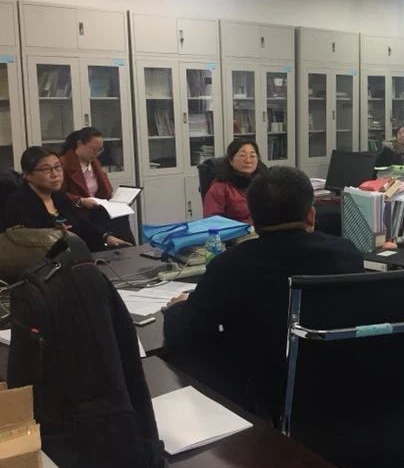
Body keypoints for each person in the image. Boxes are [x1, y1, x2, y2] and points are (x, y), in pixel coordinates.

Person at [162, 166, 363, 420]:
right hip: (334, 387)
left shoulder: (230, 265)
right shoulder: (346, 254)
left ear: (252, 221)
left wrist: (178, 309)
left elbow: (186, 333)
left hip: (261, 395)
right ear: (311, 215)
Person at [5, 147, 129, 251]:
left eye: (57, 167)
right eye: (46, 169)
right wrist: (59, 234)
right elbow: (27, 243)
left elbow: (80, 223)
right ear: (28, 175)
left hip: (74, 253)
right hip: (44, 262)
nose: (55, 174)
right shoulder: (18, 203)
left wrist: (105, 237)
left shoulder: (58, 196)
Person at [59, 127, 135, 244]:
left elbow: (105, 190)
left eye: (100, 150)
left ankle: (124, 248)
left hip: (97, 207)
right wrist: (80, 200)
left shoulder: (94, 162)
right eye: (93, 149)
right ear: (79, 144)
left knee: (122, 215)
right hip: (78, 211)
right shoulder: (63, 164)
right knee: (114, 224)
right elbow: (57, 195)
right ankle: (120, 248)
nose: (96, 153)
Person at [203, 139, 268, 223]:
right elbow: (212, 221)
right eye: (242, 156)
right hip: (238, 230)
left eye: (252, 156)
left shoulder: (264, 182)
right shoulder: (219, 188)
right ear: (231, 161)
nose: (248, 160)